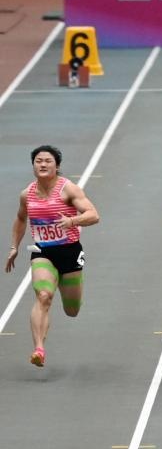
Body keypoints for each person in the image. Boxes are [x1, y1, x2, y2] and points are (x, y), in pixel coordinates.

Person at [4, 144, 100, 367]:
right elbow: (21, 219)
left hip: (69, 251)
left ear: (57, 166)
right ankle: (39, 349)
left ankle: (70, 294)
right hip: (43, 251)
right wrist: (14, 247)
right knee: (43, 295)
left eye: (48, 161)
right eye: (38, 161)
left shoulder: (68, 190)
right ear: (33, 166)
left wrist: (72, 221)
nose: (43, 164)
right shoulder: (27, 194)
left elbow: (94, 215)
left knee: (72, 310)